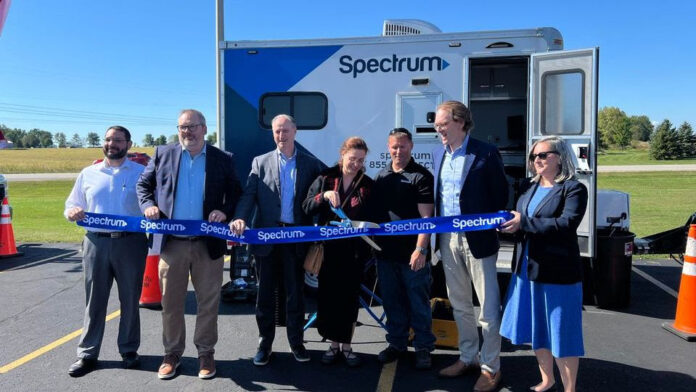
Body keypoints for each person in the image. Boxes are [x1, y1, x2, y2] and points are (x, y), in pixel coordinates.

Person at [136, 109, 241, 380]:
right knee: (171, 303)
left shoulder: (222, 159)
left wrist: (225, 212)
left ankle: (205, 353)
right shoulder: (163, 154)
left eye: (193, 126)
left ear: (204, 129)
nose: (188, 132)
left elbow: (236, 194)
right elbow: (143, 186)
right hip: (173, 245)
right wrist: (148, 206)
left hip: (209, 246)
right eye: (183, 127)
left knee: (208, 303)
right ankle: (172, 353)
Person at [230, 114, 325, 366]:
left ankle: (297, 342)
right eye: (276, 132)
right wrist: (240, 218)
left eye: (285, 131)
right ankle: (265, 343)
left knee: (295, 294)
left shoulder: (311, 164)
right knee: (265, 295)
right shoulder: (260, 162)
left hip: (296, 240)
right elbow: (249, 195)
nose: (281, 136)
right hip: (266, 240)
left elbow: (324, 190)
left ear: (295, 131)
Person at [499, 136, 587, 392]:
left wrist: (523, 222)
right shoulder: (529, 186)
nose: (536, 160)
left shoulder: (574, 188)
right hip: (527, 269)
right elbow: (522, 222)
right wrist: (506, 226)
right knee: (537, 328)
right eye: (534, 156)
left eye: (543, 155)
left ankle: (569, 388)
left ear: (559, 157)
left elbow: (566, 224)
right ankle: (547, 379)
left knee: (562, 332)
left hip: (557, 272)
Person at [431, 100, 508, 392]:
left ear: (461, 122)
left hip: (478, 239)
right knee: (460, 305)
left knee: (488, 309)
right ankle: (467, 358)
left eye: (443, 124)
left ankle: (491, 368)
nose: (439, 129)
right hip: (448, 238)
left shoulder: (485, 153)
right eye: (437, 125)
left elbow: (500, 195)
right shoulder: (439, 154)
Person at [64, 125, 149, 377]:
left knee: (130, 299)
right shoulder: (88, 173)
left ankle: (129, 350)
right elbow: (72, 204)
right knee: (94, 301)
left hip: (130, 244)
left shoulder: (141, 173)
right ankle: (87, 353)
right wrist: (72, 212)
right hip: (95, 243)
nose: (112, 144)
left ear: (128, 144)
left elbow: (152, 204)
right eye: (109, 139)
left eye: (118, 140)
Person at [302, 136, 374, 367]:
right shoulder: (326, 178)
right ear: (343, 154)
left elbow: (375, 216)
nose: (356, 164)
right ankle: (333, 345)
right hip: (328, 251)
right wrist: (322, 196)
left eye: (361, 160)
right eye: (353, 158)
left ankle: (347, 346)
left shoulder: (367, 184)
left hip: (354, 253)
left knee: (349, 299)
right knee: (328, 298)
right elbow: (306, 206)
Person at [373, 128, 436, 369]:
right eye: (394, 147)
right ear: (388, 148)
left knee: (418, 302)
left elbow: (426, 219)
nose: (398, 151)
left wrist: (420, 250)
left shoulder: (421, 177)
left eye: (403, 146)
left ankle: (423, 347)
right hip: (385, 253)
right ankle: (397, 344)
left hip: (412, 254)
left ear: (411, 146)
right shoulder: (381, 176)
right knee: (391, 302)